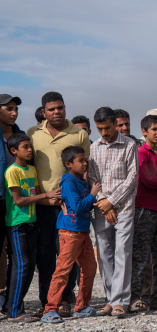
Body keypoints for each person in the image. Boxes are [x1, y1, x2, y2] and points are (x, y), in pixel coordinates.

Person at [27, 91, 91, 316]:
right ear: (43, 112)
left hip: (70, 209)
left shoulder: (79, 134)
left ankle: (65, 300)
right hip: (44, 207)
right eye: (51, 109)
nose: (57, 112)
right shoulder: (33, 133)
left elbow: (85, 170)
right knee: (44, 257)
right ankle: (47, 302)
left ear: (65, 108)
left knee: (69, 257)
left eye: (60, 107)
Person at [87, 107, 138, 318]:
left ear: (115, 124)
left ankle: (120, 301)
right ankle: (110, 298)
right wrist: (102, 202)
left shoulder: (129, 145)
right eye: (100, 129)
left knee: (122, 253)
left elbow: (132, 177)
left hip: (123, 208)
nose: (104, 132)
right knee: (105, 254)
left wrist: (112, 202)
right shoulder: (94, 147)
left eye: (107, 128)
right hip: (101, 210)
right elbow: (91, 178)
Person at [4, 133, 61, 322]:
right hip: (17, 225)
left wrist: (56, 200)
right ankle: (14, 312)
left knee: (28, 268)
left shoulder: (32, 170)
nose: (30, 150)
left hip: (32, 222)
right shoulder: (12, 171)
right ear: (14, 151)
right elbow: (19, 200)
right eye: (25, 147)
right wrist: (46, 196)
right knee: (22, 265)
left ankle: (12, 306)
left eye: (30, 147)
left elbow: (37, 197)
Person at [41, 146, 100, 323]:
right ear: (68, 164)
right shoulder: (68, 182)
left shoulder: (80, 181)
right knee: (63, 270)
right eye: (80, 160)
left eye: (85, 160)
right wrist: (93, 195)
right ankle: (49, 309)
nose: (85, 163)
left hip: (82, 232)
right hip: (70, 233)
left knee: (89, 268)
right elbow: (77, 206)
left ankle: (81, 306)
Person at [130, 115, 157, 312]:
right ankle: (136, 296)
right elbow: (148, 180)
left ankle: (156, 296)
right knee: (141, 256)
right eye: (153, 129)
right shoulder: (141, 153)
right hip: (144, 211)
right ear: (144, 131)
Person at [0, 94, 23, 307]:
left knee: (17, 254)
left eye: (15, 108)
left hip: (18, 203)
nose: (14, 113)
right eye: (8, 108)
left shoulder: (21, 137)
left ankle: (12, 300)